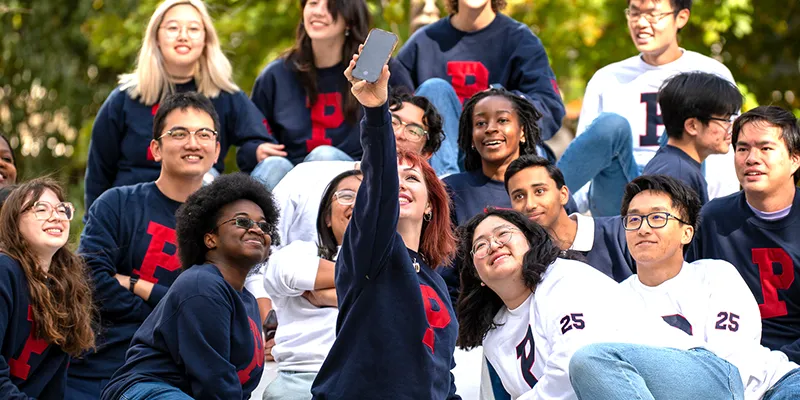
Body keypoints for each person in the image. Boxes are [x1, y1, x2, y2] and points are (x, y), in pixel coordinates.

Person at [456, 207, 743, 399]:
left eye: (503, 234)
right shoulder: (494, 338)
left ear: (530, 242)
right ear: (477, 274)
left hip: (703, 379)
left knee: (587, 361)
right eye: (480, 245)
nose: (493, 245)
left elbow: (572, 367)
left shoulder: (562, 276)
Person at [310, 49, 459, 399]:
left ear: (430, 205)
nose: (401, 184)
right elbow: (378, 188)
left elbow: (442, 376)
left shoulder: (436, 280)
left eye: (413, 178)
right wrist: (376, 111)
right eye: (395, 177)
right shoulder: (371, 252)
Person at [67, 91, 221, 398]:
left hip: (179, 374)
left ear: (216, 150)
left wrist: (138, 285)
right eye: (179, 133)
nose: (192, 143)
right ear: (155, 149)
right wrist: (174, 313)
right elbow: (90, 281)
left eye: (203, 134)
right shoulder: (117, 204)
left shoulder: (226, 224)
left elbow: (215, 310)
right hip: (101, 367)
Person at [244, 89, 444, 322]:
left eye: (413, 130)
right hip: (287, 331)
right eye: (393, 120)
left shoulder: (412, 202)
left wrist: (330, 294)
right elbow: (261, 256)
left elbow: (411, 290)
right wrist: (266, 323)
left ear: (427, 152)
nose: (399, 133)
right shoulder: (309, 176)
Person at [619, 174, 800, 399]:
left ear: (687, 233)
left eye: (657, 218)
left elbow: (728, 373)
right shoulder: (616, 300)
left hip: (772, 388)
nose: (643, 229)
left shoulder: (717, 276)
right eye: (634, 219)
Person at [84, 0, 276, 210]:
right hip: (133, 210)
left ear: (206, 39)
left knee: (274, 166)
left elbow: (258, 141)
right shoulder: (124, 99)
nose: (183, 35)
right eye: (173, 28)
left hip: (196, 209)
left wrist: (254, 151)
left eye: (193, 29)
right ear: (156, 37)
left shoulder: (225, 96)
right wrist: (96, 223)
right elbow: (98, 172)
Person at [101, 173, 278, 400]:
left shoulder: (248, 302)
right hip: (147, 390)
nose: (256, 229)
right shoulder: (202, 284)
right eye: (242, 221)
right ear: (210, 239)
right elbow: (214, 381)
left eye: (264, 225)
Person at [557, 0, 738, 216]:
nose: (641, 23)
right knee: (611, 126)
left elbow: (722, 151)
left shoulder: (710, 73)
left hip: (679, 183)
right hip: (619, 189)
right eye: (634, 13)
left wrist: (718, 216)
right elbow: (588, 158)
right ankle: (546, 206)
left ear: (681, 17)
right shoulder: (607, 78)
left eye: (653, 15)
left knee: (688, 125)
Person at [391, 0, 565, 175]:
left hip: (498, 156)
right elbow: (394, 105)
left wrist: (501, 103)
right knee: (435, 90)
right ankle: (445, 191)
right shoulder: (423, 42)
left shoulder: (521, 40)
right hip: (441, 157)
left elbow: (549, 106)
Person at [687, 106, 800, 363]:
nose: (751, 158)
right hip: (722, 361)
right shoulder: (712, 218)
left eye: (765, 148)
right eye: (742, 148)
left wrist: (775, 365)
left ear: (795, 159)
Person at [250, 0, 371, 190]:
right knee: (274, 165)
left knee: (323, 156)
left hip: (354, 181)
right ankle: (246, 218)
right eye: (313, 3)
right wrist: (256, 150)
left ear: (349, 19)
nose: (318, 12)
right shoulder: (276, 75)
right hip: (289, 181)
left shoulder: (372, 72)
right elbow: (250, 138)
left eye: (330, 6)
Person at [262, 169, 361, 400]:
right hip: (302, 380)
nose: (357, 204)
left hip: (366, 380)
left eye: (367, 196)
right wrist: (372, 282)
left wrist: (328, 296)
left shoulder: (399, 263)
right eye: (346, 195)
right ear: (327, 217)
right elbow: (289, 273)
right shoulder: (299, 251)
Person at [0, 178, 94, 399]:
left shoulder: (65, 286)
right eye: (40, 209)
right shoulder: (5, 271)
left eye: (62, 209)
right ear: (14, 222)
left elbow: (52, 384)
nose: (56, 216)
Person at [505, 155, 634, 282]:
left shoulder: (622, 231)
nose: (530, 205)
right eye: (519, 196)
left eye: (539, 191)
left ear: (563, 195)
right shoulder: (523, 263)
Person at [642, 71, 742, 204]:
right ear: (692, 126)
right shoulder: (678, 173)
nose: (731, 127)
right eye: (725, 120)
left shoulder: (673, 165)